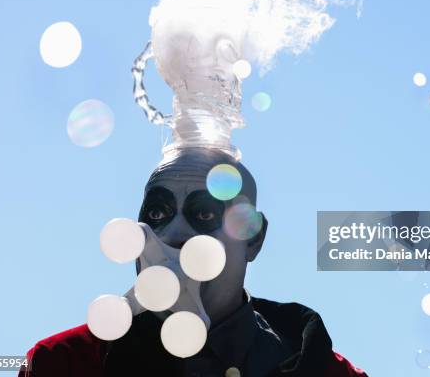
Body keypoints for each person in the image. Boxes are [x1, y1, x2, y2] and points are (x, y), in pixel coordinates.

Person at [19, 148, 367, 377]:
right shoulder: (61, 364)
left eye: (203, 213)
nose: (174, 233)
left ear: (254, 238)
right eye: (156, 213)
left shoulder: (326, 372)